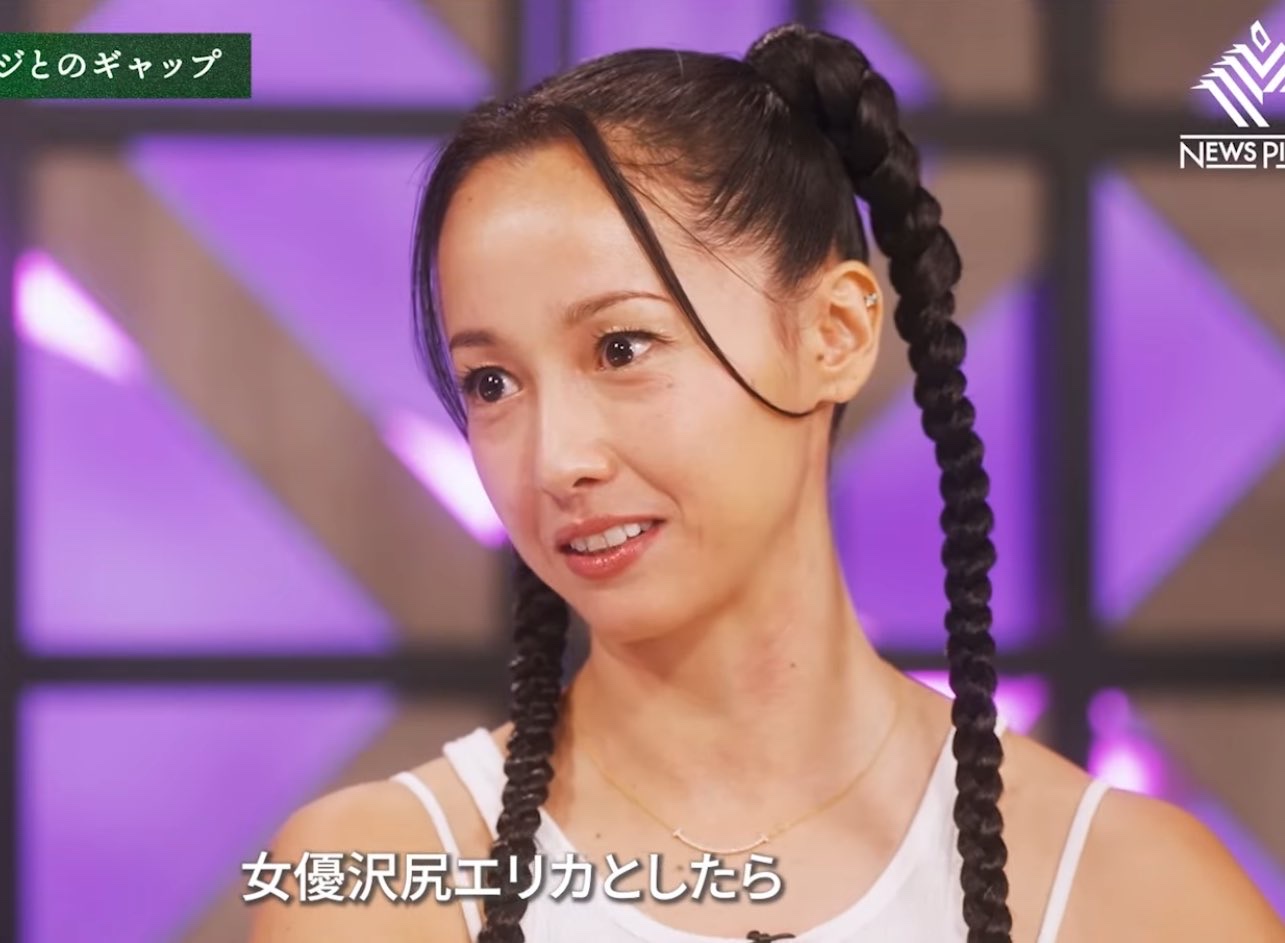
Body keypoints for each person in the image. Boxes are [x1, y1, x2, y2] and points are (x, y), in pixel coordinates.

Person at [250, 23, 1283, 943]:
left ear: (834, 333)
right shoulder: (373, 883)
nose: (555, 458)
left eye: (621, 347)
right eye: (491, 383)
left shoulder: (1133, 893)